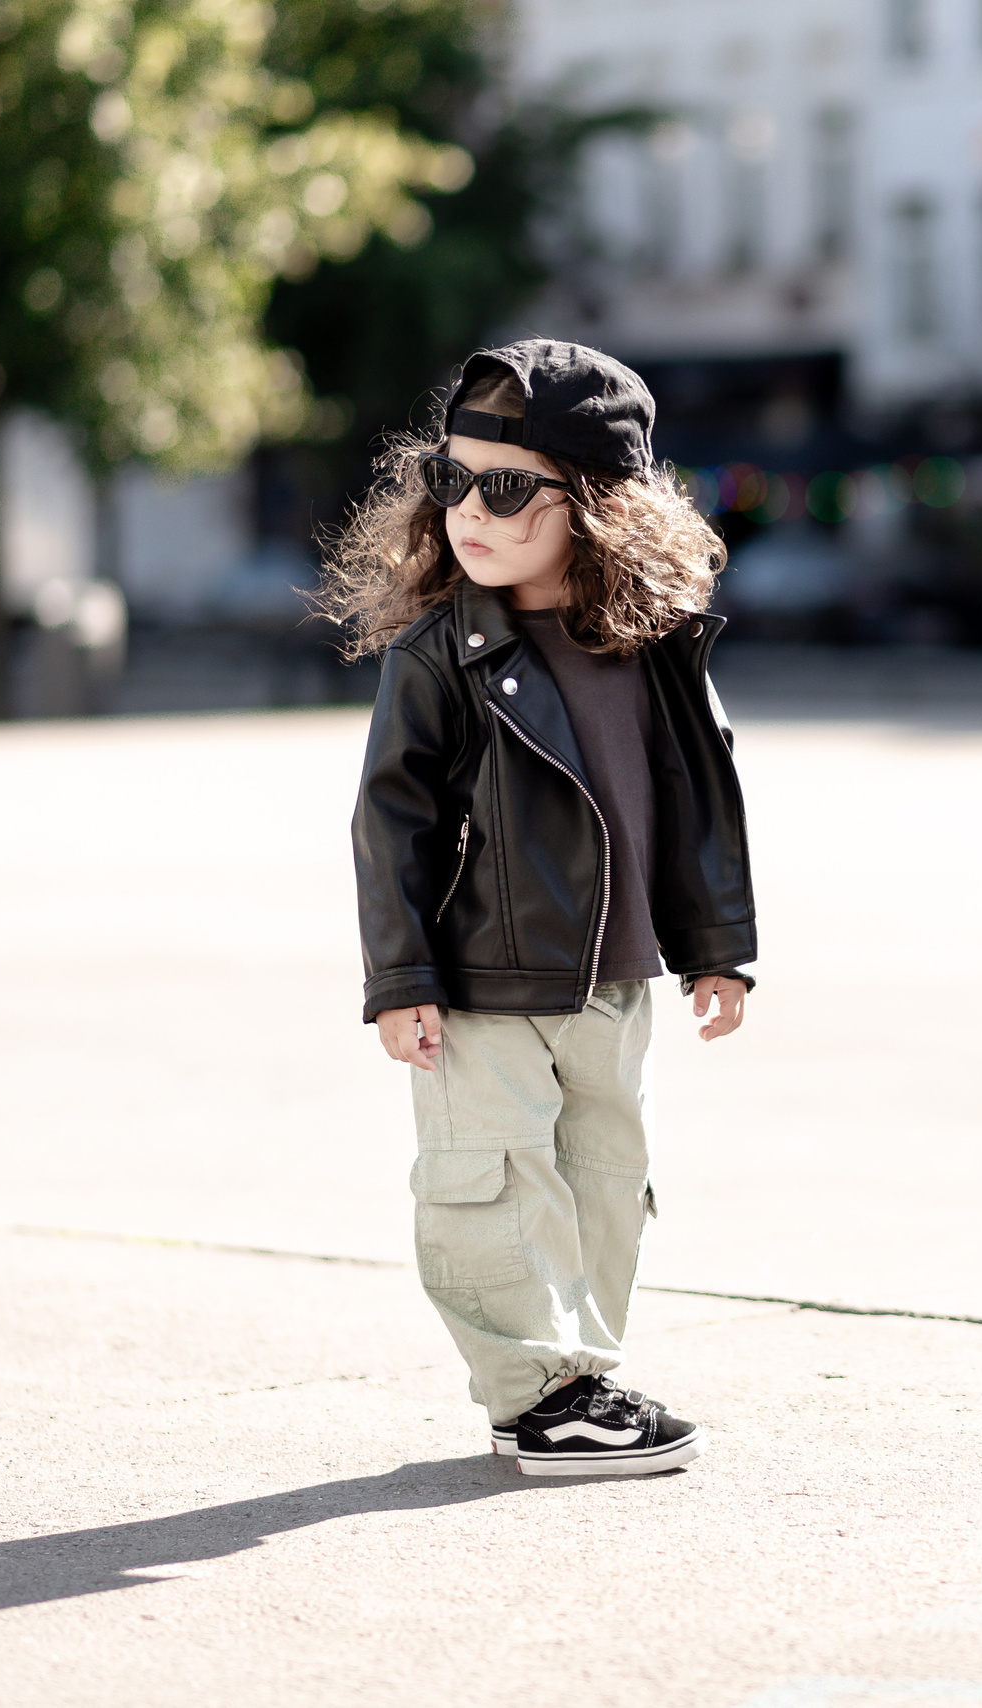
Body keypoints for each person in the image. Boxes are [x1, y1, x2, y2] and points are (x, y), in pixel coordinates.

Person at [323, 338, 756, 1476]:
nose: (470, 508)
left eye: (506, 485)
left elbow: (701, 800)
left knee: (605, 1181)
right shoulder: (437, 657)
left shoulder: (658, 649)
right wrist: (401, 977)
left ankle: (574, 1382)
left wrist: (716, 947)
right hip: (480, 981)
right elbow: (391, 824)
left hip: (616, 979)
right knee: (496, 1184)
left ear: (597, 502)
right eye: (449, 479)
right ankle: (540, 1391)